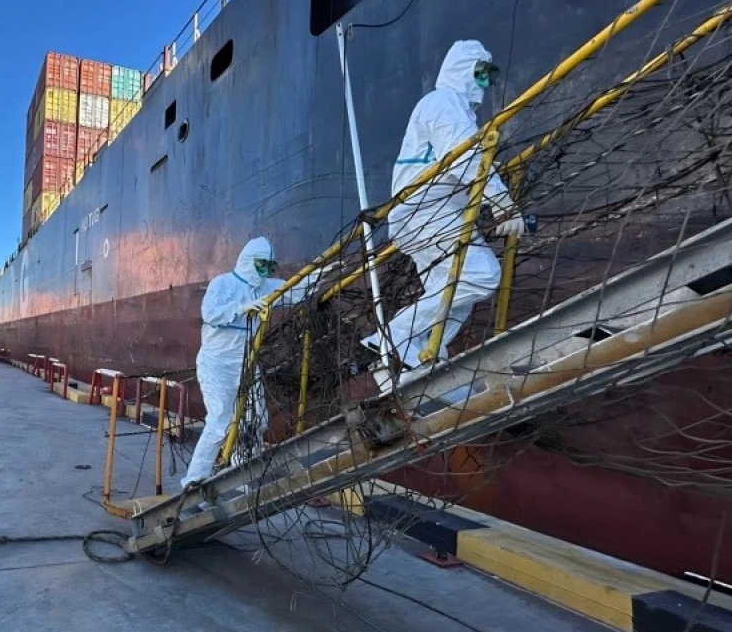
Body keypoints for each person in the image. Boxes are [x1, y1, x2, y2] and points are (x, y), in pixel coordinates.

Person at [362, 40, 525, 384]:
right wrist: (503, 206)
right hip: (425, 213)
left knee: (452, 296)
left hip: (429, 215)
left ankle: (417, 359)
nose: (484, 85)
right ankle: (391, 339)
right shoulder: (442, 103)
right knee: (481, 274)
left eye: (488, 78)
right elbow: (467, 158)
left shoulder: (455, 110)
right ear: (461, 71)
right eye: (479, 75)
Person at [180, 237, 329, 488]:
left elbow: (295, 290)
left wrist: (323, 271)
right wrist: (241, 308)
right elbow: (211, 313)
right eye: (260, 265)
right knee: (220, 421)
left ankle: (242, 479)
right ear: (248, 261)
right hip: (216, 364)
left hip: (246, 364)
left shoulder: (267, 287)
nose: (263, 271)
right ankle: (194, 481)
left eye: (268, 266)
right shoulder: (223, 283)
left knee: (256, 419)